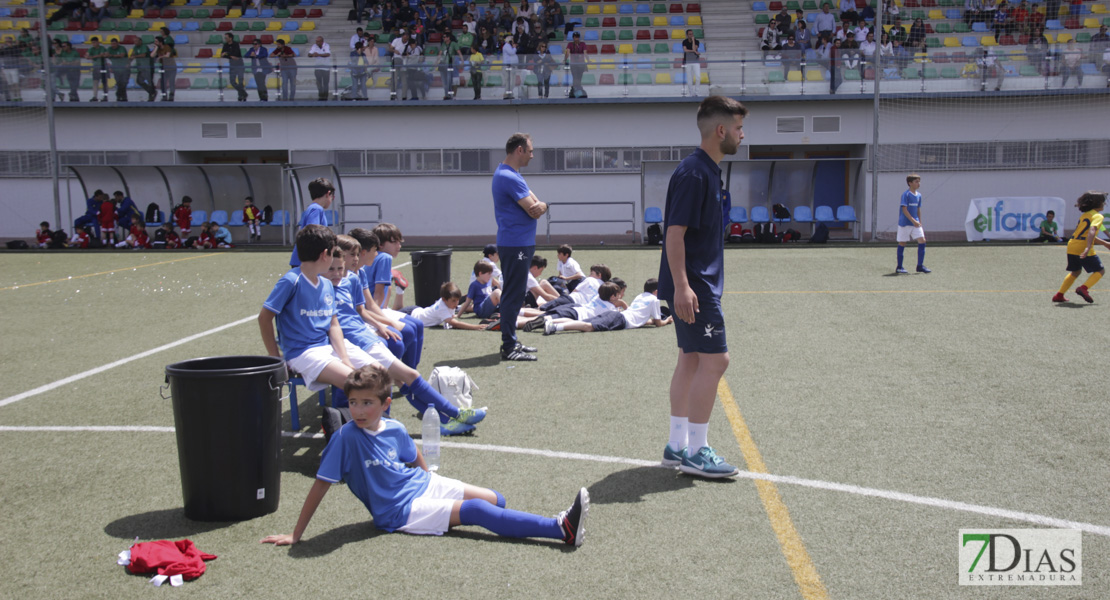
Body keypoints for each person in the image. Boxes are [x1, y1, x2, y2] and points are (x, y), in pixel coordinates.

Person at [260, 364, 589, 548]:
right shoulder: (345, 439)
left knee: (497, 500)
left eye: (367, 403)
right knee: (477, 510)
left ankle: (507, 520)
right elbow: (320, 485)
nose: (358, 410)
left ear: (385, 404)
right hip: (399, 511)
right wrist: (296, 534)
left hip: (421, 485)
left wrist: (428, 476)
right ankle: (560, 529)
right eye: (354, 403)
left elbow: (412, 452)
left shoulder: (393, 427)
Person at [658, 96, 748, 479]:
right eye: (739, 128)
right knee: (716, 360)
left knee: (691, 358)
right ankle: (696, 452)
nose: (743, 135)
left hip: (694, 282)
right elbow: (673, 235)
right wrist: (683, 286)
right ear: (721, 130)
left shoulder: (707, 171)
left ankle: (677, 445)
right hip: (695, 284)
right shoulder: (695, 173)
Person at [327, 241, 484, 433]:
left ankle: (444, 421)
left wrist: (382, 325)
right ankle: (453, 414)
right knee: (406, 376)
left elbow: (361, 311)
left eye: (353, 256)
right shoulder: (323, 286)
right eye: (351, 255)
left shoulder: (350, 279)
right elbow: (333, 323)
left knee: (402, 378)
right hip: (356, 343)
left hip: (366, 337)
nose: (355, 260)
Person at [492, 133, 547, 361]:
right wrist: (541, 206)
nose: (533, 155)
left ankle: (511, 341)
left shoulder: (511, 174)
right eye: (530, 150)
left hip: (518, 242)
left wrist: (541, 205)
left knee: (515, 293)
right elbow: (533, 207)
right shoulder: (509, 177)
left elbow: (538, 204)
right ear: (519, 150)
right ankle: (508, 346)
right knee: (513, 295)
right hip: (516, 244)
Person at [544, 278, 672, 335]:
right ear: (656, 291)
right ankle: (555, 326)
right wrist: (668, 320)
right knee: (588, 327)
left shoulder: (640, 296)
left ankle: (549, 321)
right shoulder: (655, 300)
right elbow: (658, 323)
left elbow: (642, 319)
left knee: (581, 322)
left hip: (620, 316)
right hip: (620, 319)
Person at [1053, 191, 1110, 303]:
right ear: (1098, 203)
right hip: (1083, 247)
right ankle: (1083, 288)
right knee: (1100, 270)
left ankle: (1059, 295)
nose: (1104, 204)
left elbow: (1085, 234)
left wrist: (1105, 243)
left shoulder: (1085, 215)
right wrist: (1088, 248)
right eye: (1103, 202)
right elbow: (1092, 231)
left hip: (1072, 245)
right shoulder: (1098, 216)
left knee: (1076, 271)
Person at [400, 282, 488, 330]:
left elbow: (452, 317)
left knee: (394, 311)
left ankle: (400, 289)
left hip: (416, 310)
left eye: (457, 300)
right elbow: (456, 324)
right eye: (453, 301)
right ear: (444, 299)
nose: (456, 303)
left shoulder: (447, 303)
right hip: (410, 316)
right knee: (389, 314)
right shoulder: (442, 308)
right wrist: (475, 327)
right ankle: (399, 290)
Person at [290, 177, 334, 267]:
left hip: (304, 259)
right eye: (332, 197)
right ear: (328, 193)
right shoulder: (316, 209)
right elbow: (313, 232)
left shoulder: (313, 208)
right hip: (307, 260)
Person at [895, 173, 929, 274]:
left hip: (915, 224)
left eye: (919, 181)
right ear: (910, 183)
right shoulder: (906, 194)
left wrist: (919, 221)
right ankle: (899, 267)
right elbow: (904, 209)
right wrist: (913, 221)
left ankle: (920, 266)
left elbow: (918, 209)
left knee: (922, 241)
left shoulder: (919, 195)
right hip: (905, 223)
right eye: (916, 181)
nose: (919, 183)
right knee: (902, 243)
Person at [222, 33, 248, 102]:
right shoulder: (225, 45)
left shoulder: (236, 44)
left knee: (240, 80)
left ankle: (240, 96)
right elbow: (222, 55)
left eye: (226, 38)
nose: (225, 39)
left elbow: (236, 55)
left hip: (239, 64)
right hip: (232, 64)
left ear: (230, 38)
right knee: (232, 81)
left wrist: (227, 54)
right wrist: (230, 56)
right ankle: (243, 93)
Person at [308, 36, 332, 100]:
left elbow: (328, 54)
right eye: (316, 41)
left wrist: (318, 54)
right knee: (319, 83)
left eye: (318, 41)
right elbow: (309, 54)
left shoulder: (326, 45)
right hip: (317, 67)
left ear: (322, 42)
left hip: (326, 68)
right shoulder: (314, 46)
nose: (316, 42)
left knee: (325, 83)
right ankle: (321, 95)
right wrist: (313, 55)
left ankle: (325, 96)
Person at [565, 31, 588, 97]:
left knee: (579, 77)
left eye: (577, 37)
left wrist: (588, 60)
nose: (576, 38)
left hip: (581, 64)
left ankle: (578, 89)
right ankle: (575, 90)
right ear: (573, 38)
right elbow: (568, 52)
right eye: (575, 37)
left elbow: (585, 53)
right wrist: (565, 59)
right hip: (574, 64)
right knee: (575, 77)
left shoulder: (582, 44)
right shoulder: (570, 44)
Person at [87, 37, 109, 102]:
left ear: (98, 42)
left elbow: (102, 55)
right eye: (92, 43)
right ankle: (95, 96)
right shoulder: (91, 49)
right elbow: (87, 55)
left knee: (104, 82)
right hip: (96, 67)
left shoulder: (102, 48)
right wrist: (92, 56)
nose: (93, 44)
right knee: (95, 82)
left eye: (94, 42)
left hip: (103, 67)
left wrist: (93, 56)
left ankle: (105, 96)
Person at [681, 29, 700, 96]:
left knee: (698, 77)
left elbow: (694, 48)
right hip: (688, 61)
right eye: (690, 34)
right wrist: (694, 52)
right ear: (687, 35)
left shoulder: (697, 41)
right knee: (689, 78)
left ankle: (696, 93)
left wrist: (693, 41)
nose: (691, 35)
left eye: (692, 34)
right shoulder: (684, 41)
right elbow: (685, 50)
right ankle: (691, 94)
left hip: (695, 61)